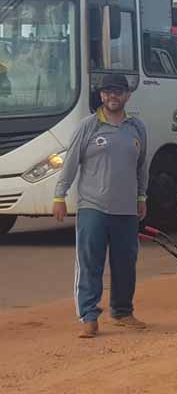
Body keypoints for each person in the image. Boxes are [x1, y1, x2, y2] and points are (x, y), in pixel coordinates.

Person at [53, 74, 148, 338]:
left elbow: (142, 167)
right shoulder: (88, 126)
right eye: (108, 92)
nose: (113, 96)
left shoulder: (136, 127)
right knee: (90, 263)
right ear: (102, 96)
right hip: (93, 207)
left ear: (127, 96)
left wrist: (142, 197)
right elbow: (70, 163)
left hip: (127, 209)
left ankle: (122, 311)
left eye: (118, 92)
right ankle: (88, 315)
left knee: (125, 263)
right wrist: (59, 196)